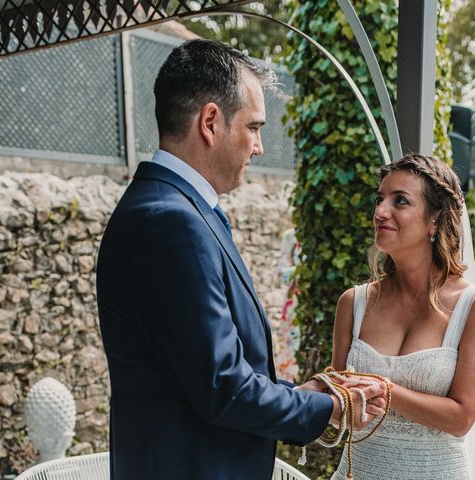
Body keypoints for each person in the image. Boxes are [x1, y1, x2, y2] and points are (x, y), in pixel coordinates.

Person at [96, 39, 386, 480]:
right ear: (210, 122)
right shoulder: (170, 222)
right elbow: (223, 387)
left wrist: (302, 392)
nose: (259, 147)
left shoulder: (174, 208)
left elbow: (207, 370)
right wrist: (330, 406)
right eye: (253, 127)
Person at [330, 153, 475, 480]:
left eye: (400, 201)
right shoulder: (353, 303)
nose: (380, 212)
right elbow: (339, 408)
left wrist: (384, 390)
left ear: (435, 220)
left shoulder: (474, 305)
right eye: (379, 199)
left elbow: (462, 417)